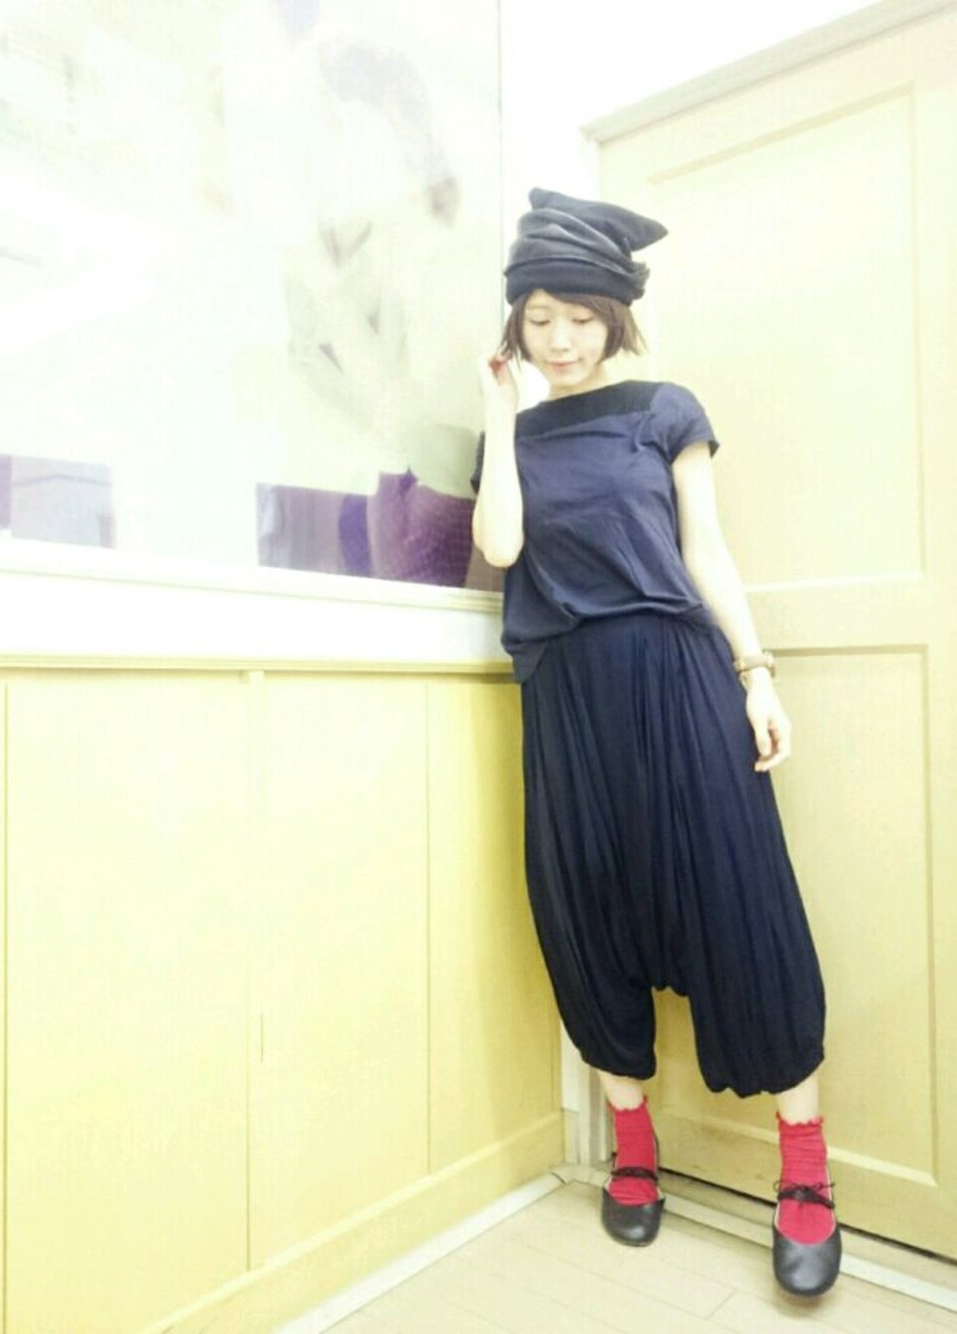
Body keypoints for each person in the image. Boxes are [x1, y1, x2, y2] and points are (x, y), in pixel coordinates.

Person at [471, 187, 841, 1298]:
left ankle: (805, 1172)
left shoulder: (664, 411)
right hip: (566, 700)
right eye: (540, 318)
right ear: (516, 324)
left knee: (740, 902)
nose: (561, 339)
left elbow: (705, 551)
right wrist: (499, 414)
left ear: (616, 316)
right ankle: (633, 1150)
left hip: (678, 679)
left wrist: (756, 674)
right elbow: (500, 546)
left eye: (580, 317)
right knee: (585, 909)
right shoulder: (515, 432)